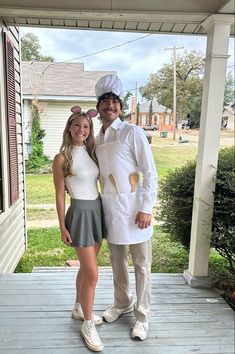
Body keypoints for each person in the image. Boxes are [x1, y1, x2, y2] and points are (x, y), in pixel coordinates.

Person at [95, 74, 158, 341]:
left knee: (142, 264)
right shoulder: (96, 137)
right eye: (105, 101)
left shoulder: (132, 132)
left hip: (135, 211)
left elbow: (150, 172)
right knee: (116, 261)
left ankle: (142, 316)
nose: (110, 105)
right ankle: (122, 303)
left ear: (120, 106)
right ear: (98, 106)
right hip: (111, 210)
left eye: (114, 101)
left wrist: (146, 207)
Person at [52, 106, 106, 352]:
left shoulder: (93, 152)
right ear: (69, 128)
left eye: (86, 126)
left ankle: (78, 307)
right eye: (77, 125)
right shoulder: (62, 158)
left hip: (97, 211)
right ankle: (87, 323)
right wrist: (62, 225)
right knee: (93, 273)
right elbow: (60, 195)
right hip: (80, 215)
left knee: (87, 269)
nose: (81, 130)